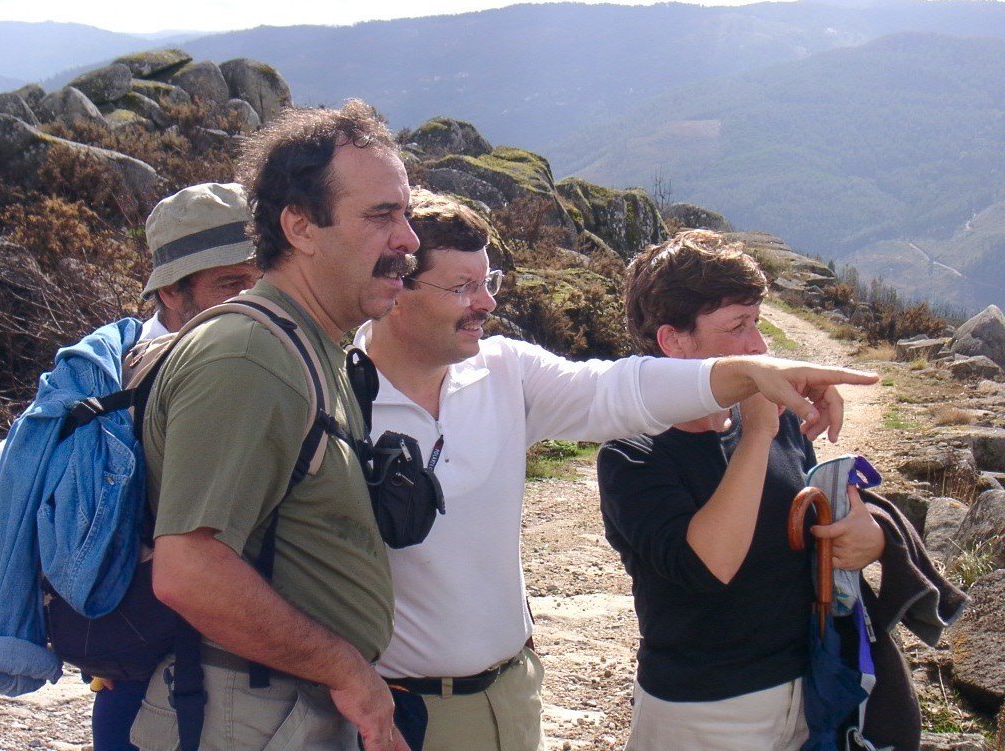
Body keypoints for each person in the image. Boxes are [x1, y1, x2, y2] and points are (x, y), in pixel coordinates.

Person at [352, 192, 878, 751]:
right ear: (395, 288)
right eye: (462, 287)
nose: (486, 303)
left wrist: (754, 374)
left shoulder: (504, 371)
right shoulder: (338, 403)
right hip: (403, 709)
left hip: (514, 693)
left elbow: (612, 387)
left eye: (489, 282)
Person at [130, 100, 419, 751]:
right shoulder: (248, 355)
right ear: (300, 227)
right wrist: (347, 671)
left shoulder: (312, 344)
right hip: (246, 714)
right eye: (381, 215)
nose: (408, 240)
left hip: (280, 706)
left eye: (404, 213)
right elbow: (189, 569)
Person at [0, 180, 261, 750]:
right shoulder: (107, 384)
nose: (251, 300)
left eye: (264, 280)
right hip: (146, 692)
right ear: (171, 292)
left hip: (269, 682)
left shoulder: (274, 363)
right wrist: (88, 608)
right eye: (231, 282)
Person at [597, 231, 886, 750]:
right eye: (737, 327)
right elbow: (708, 566)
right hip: (703, 712)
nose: (759, 347)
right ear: (673, 342)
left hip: (808, 691)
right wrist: (757, 434)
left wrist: (869, 535)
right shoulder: (633, 453)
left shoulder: (777, 423)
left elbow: (815, 523)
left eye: (757, 322)